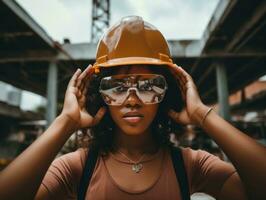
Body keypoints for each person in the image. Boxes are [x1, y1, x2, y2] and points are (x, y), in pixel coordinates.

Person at [0, 16, 265, 200]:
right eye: (117, 86)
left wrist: (202, 114)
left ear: (167, 94)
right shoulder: (78, 167)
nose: (132, 98)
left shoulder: (190, 164)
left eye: (149, 85)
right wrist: (64, 122)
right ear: (100, 96)